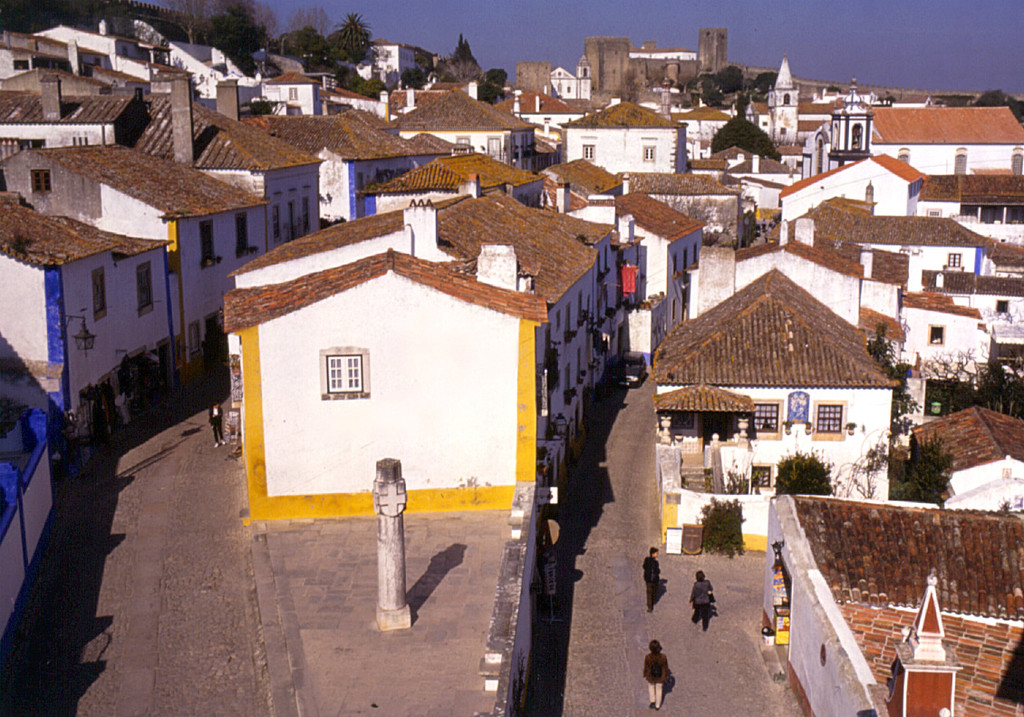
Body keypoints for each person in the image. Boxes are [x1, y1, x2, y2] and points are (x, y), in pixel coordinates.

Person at [643, 639, 669, 710]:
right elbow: (665, 668)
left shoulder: (648, 657)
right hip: (660, 676)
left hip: (651, 676)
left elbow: (646, 667)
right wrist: (665, 676)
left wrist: (645, 674)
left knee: (651, 687)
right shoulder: (663, 657)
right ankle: (658, 705)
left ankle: (652, 701)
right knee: (659, 689)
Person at [642, 547, 661, 612]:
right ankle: (653, 602)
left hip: (648, 579)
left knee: (649, 592)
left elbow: (644, 567)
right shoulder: (656, 562)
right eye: (656, 553)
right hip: (654, 580)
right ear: (653, 554)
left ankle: (649, 606)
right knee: (653, 591)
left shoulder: (646, 560)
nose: (657, 554)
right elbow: (657, 571)